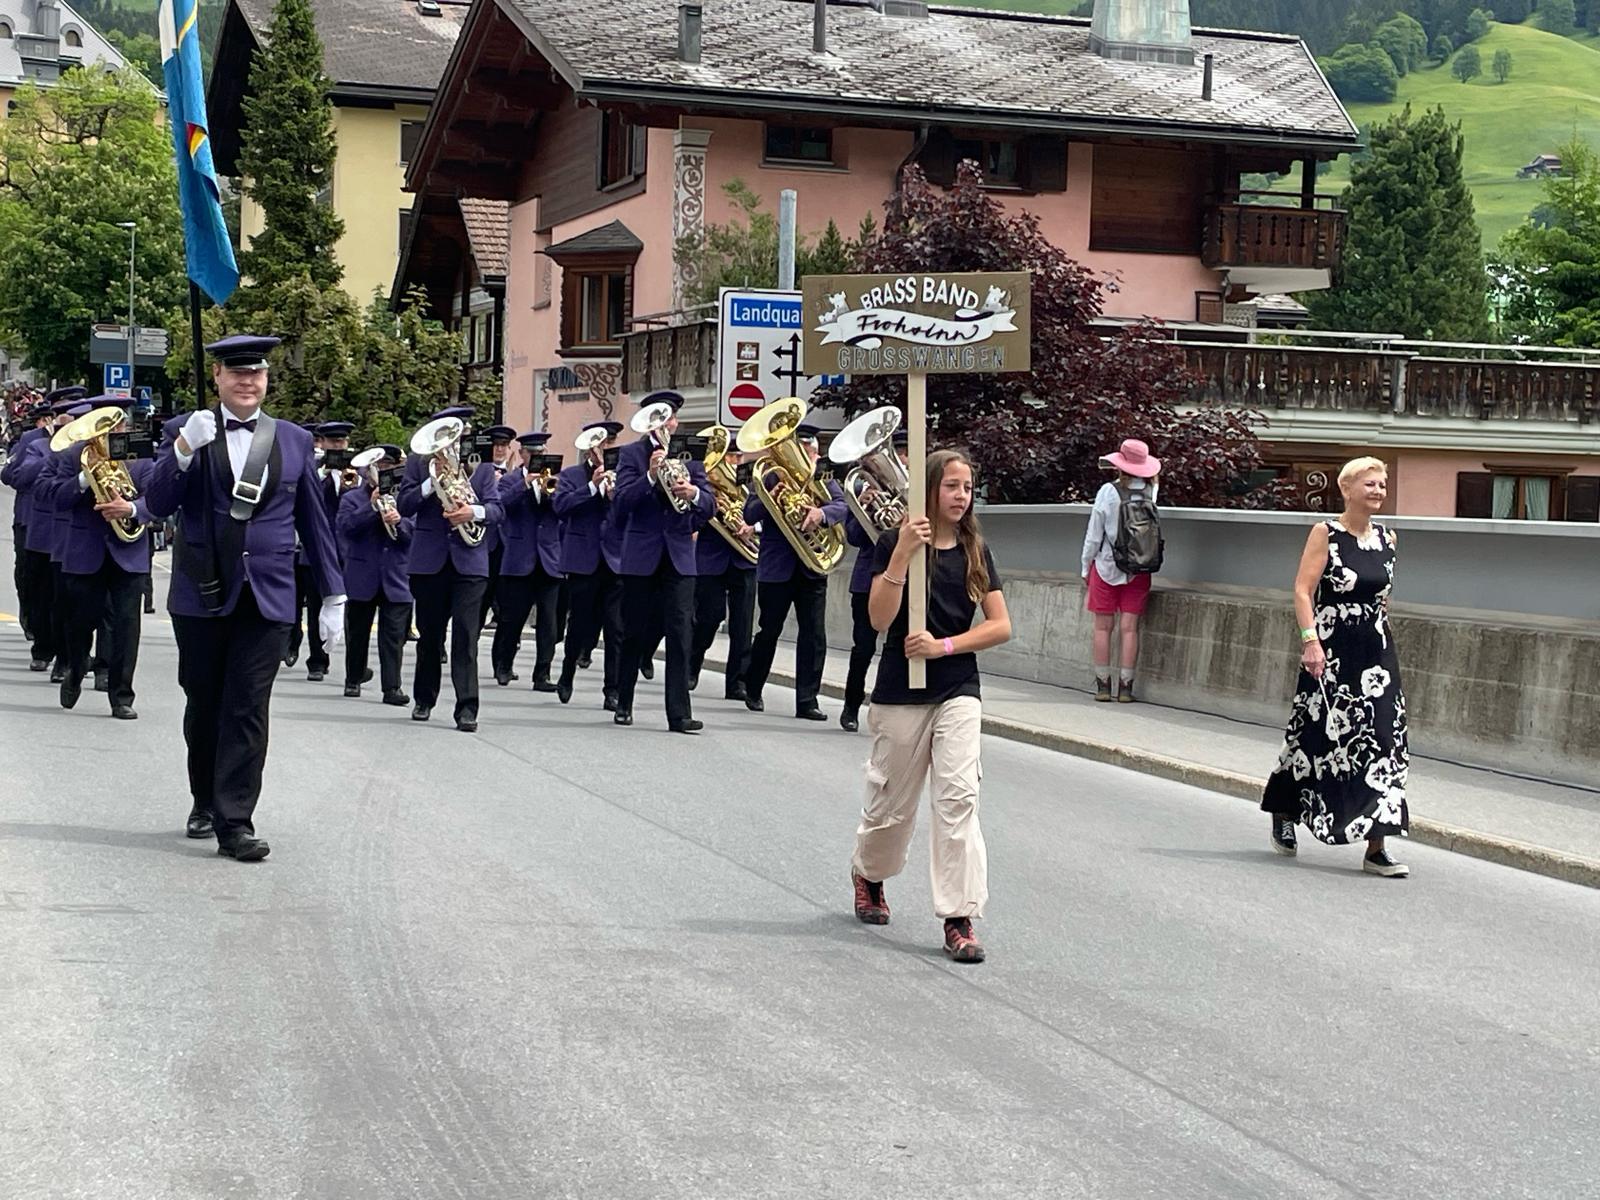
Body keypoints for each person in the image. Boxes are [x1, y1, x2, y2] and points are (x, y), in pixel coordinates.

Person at [143, 335, 346, 862]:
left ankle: (235, 822)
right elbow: (157, 503)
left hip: (269, 594)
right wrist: (183, 451)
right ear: (217, 377)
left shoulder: (295, 440)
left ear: (266, 379)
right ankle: (204, 799)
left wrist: (333, 593)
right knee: (204, 703)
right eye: (236, 374)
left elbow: (314, 522)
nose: (247, 383)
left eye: (256, 374)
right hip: (203, 591)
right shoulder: (186, 430)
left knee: (248, 705)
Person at [849, 449, 1011, 964]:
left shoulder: (975, 549)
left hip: (957, 686)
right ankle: (869, 874)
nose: (962, 496)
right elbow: (878, 619)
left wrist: (944, 646)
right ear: (930, 490)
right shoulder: (892, 542)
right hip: (900, 690)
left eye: (968, 487)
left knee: (959, 798)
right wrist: (901, 555)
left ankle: (959, 917)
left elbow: (1000, 625)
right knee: (891, 807)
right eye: (952, 486)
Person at [1262, 456, 1410, 878]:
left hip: (1375, 655)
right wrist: (1311, 642)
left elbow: (1382, 598)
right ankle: (1284, 809)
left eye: (1382, 484)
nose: (1378, 491)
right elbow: (1302, 589)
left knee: (1384, 741)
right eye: (1370, 484)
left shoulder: (1388, 538)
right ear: (1347, 489)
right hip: (1330, 650)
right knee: (1314, 736)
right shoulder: (1326, 533)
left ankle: (1377, 846)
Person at [36, 402, 153, 718]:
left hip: (129, 552)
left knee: (127, 627)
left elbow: (157, 495)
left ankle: (122, 696)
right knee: (79, 623)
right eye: (106, 427)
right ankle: (75, 668)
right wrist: (83, 480)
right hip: (84, 551)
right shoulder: (71, 455)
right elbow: (47, 493)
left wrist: (132, 508)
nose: (113, 432)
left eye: (118, 426)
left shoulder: (140, 455)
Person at [398, 404, 504, 732]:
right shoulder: (417, 463)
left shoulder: (481, 466)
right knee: (430, 637)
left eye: (459, 433)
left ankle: (467, 708)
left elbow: (497, 510)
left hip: (470, 562)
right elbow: (404, 505)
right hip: (429, 562)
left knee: (466, 636)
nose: (453, 440)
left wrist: (473, 512)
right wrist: (432, 482)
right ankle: (424, 699)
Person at [611, 391, 713, 732]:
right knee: (633, 632)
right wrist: (651, 477)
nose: (667, 425)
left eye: (670, 419)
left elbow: (709, 504)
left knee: (681, 634)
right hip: (641, 557)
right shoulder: (631, 454)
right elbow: (621, 504)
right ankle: (624, 702)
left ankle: (679, 714)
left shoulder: (691, 455)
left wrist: (693, 494)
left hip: (679, 557)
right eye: (660, 419)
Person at [741, 423, 848, 721]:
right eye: (801, 450)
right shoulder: (769, 476)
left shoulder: (822, 478)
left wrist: (821, 513)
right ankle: (753, 687)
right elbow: (749, 514)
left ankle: (807, 700)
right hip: (777, 566)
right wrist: (769, 496)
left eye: (810, 451)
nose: (807, 456)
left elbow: (842, 506)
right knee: (769, 630)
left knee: (814, 634)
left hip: (812, 566)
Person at [1080, 438, 1160, 703]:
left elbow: (1094, 535)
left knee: (1103, 627)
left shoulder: (1107, 492)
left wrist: (1085, 566)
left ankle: (1103, 686)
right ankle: (1126, 688)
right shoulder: (1152, 490)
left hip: (1106, 565)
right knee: (1130, 628)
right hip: (1140, 566)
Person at [840, 428, 909, 733]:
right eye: (899, 454)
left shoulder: (918, 493)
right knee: (863, 648)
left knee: (900, 649)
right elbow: (854, 537)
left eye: (904, 455)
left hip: (905, 580)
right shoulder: (862, 493)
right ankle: (851, 706)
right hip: (869, 580)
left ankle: (890, 708)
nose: (901, 460)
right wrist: (865, 507)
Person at [552, 420, 623, 708]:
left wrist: (616, 497)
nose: (604, 448)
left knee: (616, 628)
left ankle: (612, 690)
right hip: (583, 560)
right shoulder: (571, 476)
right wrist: (593, 487)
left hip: (615, 559)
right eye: (600, 443)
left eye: (609, 442)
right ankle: (567, 672)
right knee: (579, 624)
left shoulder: (623, 474)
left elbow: (631, 511)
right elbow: (561, 507)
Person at [337, 444, 413, 706]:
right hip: (362, 573)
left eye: (387, 467)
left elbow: (414, 534)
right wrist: (370, 508)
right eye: (377, 467)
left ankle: (392, 687)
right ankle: (353, 678)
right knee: (357, 632)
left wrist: (399, 522)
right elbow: (345, 528)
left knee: (393, 637)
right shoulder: (352, 498)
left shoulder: (406, 498)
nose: (382, 472)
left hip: (396, 575)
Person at [493, 431, 565, 692]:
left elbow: (563, 510)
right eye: (532, 453)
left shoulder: (556, 479)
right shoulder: (509, 480)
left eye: (541, 453)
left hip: (548, 560)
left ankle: (542, 674)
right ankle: (503, 665)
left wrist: (550, 490)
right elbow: (501, 505)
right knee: (512, 619)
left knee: (549, 623)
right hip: (519, 559)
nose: (537, 457)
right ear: (522, 454)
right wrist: (525, 484)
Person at [689, 443, 757, 702]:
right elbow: (694, 520)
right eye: (730, 455)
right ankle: (692, 664)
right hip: (711, 559)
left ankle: (737, 683)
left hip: (744, 558)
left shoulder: (752, 482)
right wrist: (710, 507)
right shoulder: (706, 484)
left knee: (742, 625)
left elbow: (766, 511)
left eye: (739, 455)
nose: (735, 460)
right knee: (708, 617)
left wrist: (753, 526)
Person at [1, 397, 59, 657]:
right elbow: (10, 475)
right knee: (28, 574)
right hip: (29, 517)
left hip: (62, 522)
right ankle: (31, 617)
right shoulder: (30, 440)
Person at [478, 424, 516, 633]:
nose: (500, 449)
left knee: (507, 600)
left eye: (504, 445)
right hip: (486, 541)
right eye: (496, 445)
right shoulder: (478, 472)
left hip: (508, 543)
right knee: (480, 599)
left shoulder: (515, 475)